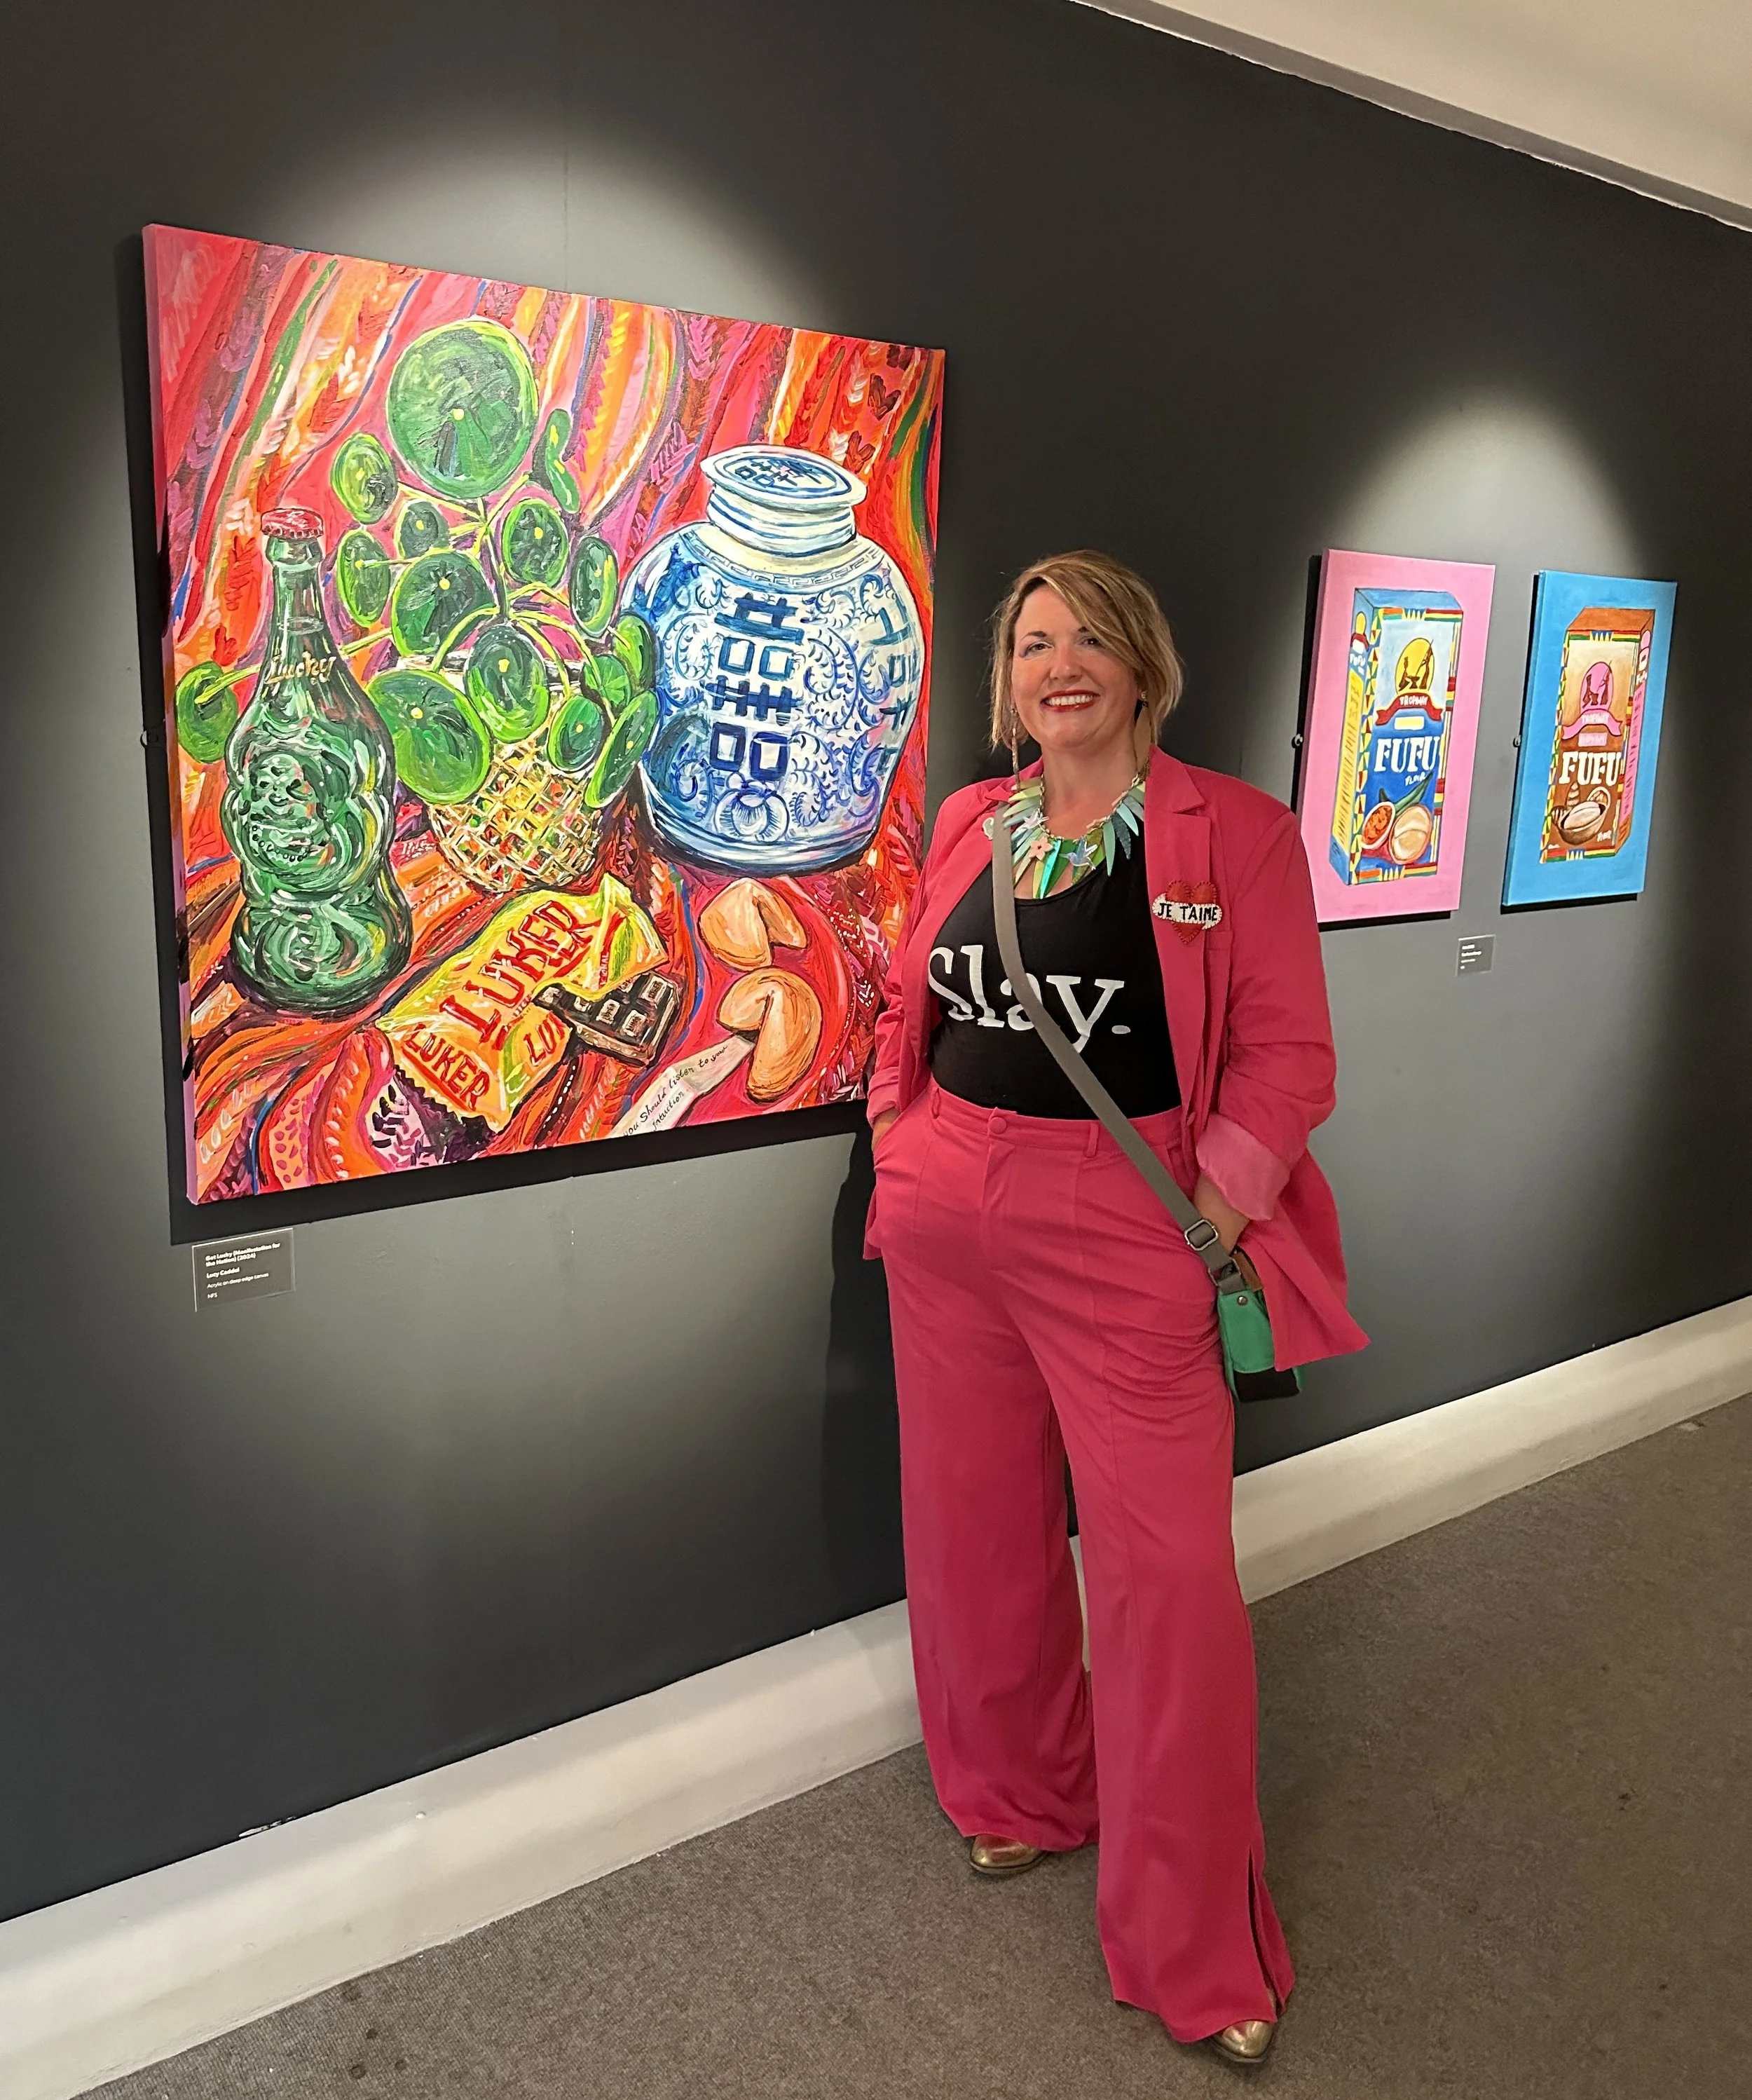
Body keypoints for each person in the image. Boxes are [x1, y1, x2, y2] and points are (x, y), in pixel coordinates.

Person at [864, 551, 1366, 2067]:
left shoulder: (1241, 832)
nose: (1055, 661)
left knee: (1166, 1586)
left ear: (1141, 662)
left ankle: (1190, 1943)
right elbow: (916, 1001)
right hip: (951, 1205)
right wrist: (899, 1137)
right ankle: (1015, 1793)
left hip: (1129, 1220)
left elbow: (1284, 1058)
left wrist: (1205, 1213)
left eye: (1085, 636)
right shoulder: (969, 821)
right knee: (970, 1526)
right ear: (1006, 685)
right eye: (1028, 642)